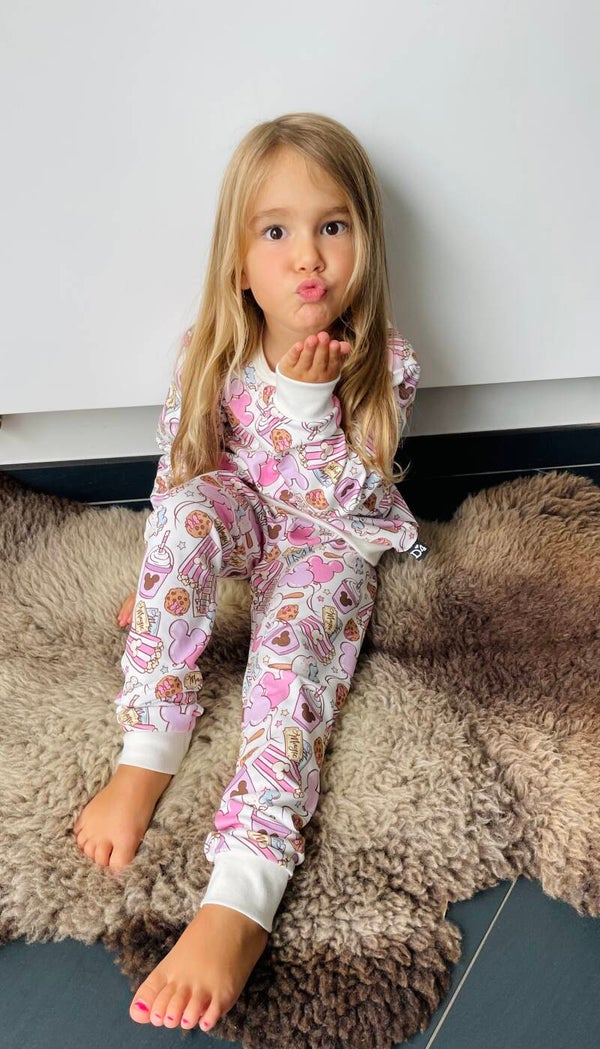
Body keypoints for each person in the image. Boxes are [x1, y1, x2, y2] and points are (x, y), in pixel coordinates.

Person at [73, 111, 428, 1033]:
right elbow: (183, 473)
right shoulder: (213, 352)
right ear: (239, 263)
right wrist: (166, 573)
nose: (308, 256)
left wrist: (311, 402)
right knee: (188, 512)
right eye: (276, 231)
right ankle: (150, 747)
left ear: (364, 242)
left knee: (290, 662)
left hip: (328, 543)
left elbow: (346, 496)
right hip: (243, 516)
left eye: (332, 226)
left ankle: (243, 891)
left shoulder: (382, 364)